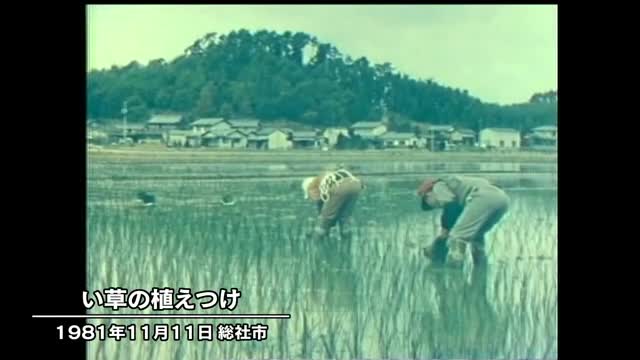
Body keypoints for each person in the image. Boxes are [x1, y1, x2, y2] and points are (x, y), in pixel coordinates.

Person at [417, 175, 509, 267]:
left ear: (427, 194)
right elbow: (458, 212)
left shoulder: (438, 186)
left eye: (433, 205)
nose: (438, 206)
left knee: (457, 237)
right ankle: (480, 269)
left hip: (482, 197)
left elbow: (450, 205)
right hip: (502, 200)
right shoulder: (459, 183)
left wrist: (445, 230)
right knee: (477, 237)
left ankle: (456, 274)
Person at [302, 167, 364, 242]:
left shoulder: (313, 185)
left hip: (340, 186)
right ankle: (347, 240)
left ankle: (316, 240)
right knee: (345, 217)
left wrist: (323, 220)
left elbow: (322, 207)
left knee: (326, 217)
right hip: (356, 185)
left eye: (309, 195)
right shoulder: (327, 177)